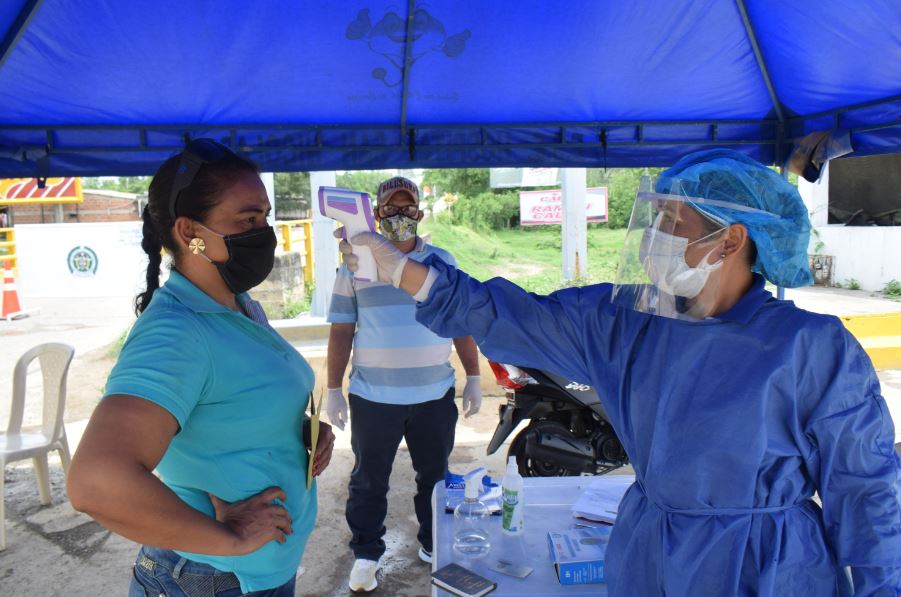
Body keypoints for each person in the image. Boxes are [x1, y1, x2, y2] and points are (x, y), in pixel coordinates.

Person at [340, 149, 901, 596]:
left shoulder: (813, 348)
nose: (653, 237)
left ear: (730, 239)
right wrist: (401, 270)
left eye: (668, 220)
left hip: (767, 565)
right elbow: (510, 315)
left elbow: (868, 493)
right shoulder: (628, 324)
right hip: (649, 551)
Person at [67, 138, 335, 597]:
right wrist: (228, 538)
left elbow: (231, 402)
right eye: (248, 219)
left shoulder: (238, 305)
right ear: (190, 229)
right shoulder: (177, 332)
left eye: (265, 217)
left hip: (259, 569)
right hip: (213, 577)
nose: (264, 231)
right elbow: (96, 481)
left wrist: (298, 430)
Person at [325, 176, 482, 592]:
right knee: (368, 479)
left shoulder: (441, 261)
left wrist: (474, 377)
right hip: (374, 397)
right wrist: (335, 388)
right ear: (375, 215)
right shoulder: (355, 263)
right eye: (391, 208)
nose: (400, 215)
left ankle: (434, 544)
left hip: (434, 395)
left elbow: (461, 323)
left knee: (434, 476)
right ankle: (365, 553)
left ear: (420, 213)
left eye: (407, 206)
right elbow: (342, 330)